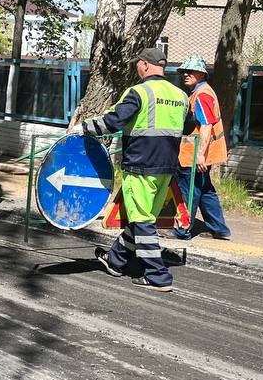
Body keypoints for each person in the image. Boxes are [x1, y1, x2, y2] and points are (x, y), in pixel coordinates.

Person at [80, 46, 187, 291]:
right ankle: (115, 261)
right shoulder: (180, 96)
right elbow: (189, 126)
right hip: (167, 166)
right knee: (141, 218)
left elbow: (112, 121)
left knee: (142, 220)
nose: (136, 68)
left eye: (137, 64)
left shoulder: (139, 92)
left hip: (140, 165)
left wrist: (83, 128)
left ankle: (158, 276)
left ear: (146, 65)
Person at [172, 56, 232, 241]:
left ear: (201, 74)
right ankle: (219, 228)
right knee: (205, 190)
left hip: (195, 154)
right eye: (183, 72)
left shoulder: (202, 94)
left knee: (189, 191)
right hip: (204, 153)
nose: (185, 75)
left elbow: (206, 126)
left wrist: (200, 156)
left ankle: (183, 230)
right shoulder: (203, 92)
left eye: (190, 71)